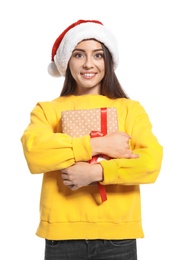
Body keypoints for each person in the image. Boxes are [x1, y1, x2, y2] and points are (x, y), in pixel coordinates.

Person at [21, 19, 163, 260]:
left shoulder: (129, 109)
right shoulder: (47, 110)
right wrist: (98, 145)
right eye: (79, 55)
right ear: (67, 61)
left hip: (118, 237)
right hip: (62, 237)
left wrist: (96, 173)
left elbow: (150, 163)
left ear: (107, 61)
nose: (89, 64)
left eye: (98, 55)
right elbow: (35, 152)